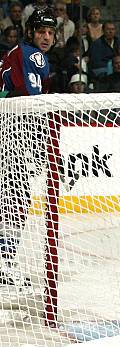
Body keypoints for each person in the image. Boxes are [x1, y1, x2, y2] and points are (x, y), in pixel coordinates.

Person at [0, 8, 56, 287]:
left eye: (50, 32)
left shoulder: (20, 53)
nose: (45, 37)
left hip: (12, 129)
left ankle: (5, 260)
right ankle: (4, 261)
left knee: (13, 199)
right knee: (15, 200)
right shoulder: (31, 55)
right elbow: (32, 102)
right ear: (30, 33)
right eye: (41, 31)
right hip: (13, 131)